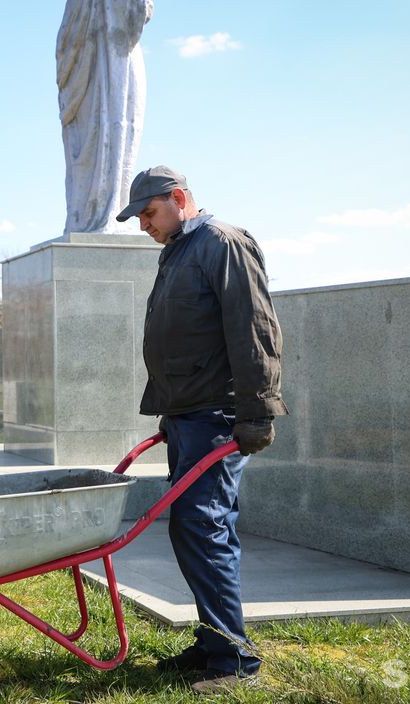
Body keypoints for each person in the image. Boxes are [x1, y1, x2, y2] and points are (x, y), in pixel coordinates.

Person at [117, 166, 286, 695]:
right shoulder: (180, 249)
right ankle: (216, 641)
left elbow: (253, 328)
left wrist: (258, 411)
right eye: (140, 217)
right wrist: (170, 413)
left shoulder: (221, 243)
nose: (144, 224)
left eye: (149, 212)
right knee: (197, 530)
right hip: (190, 417)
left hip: (218, 417)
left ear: (179, 198)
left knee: (202, 528)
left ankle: (234, 660)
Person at [57, 0, 154, 234]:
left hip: (90, 75)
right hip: (115, 70)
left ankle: (88, 216)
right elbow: (135, 11)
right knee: (117, 133)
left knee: (96, 140)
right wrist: (146, 1)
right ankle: (110, 215)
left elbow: (66, 37)